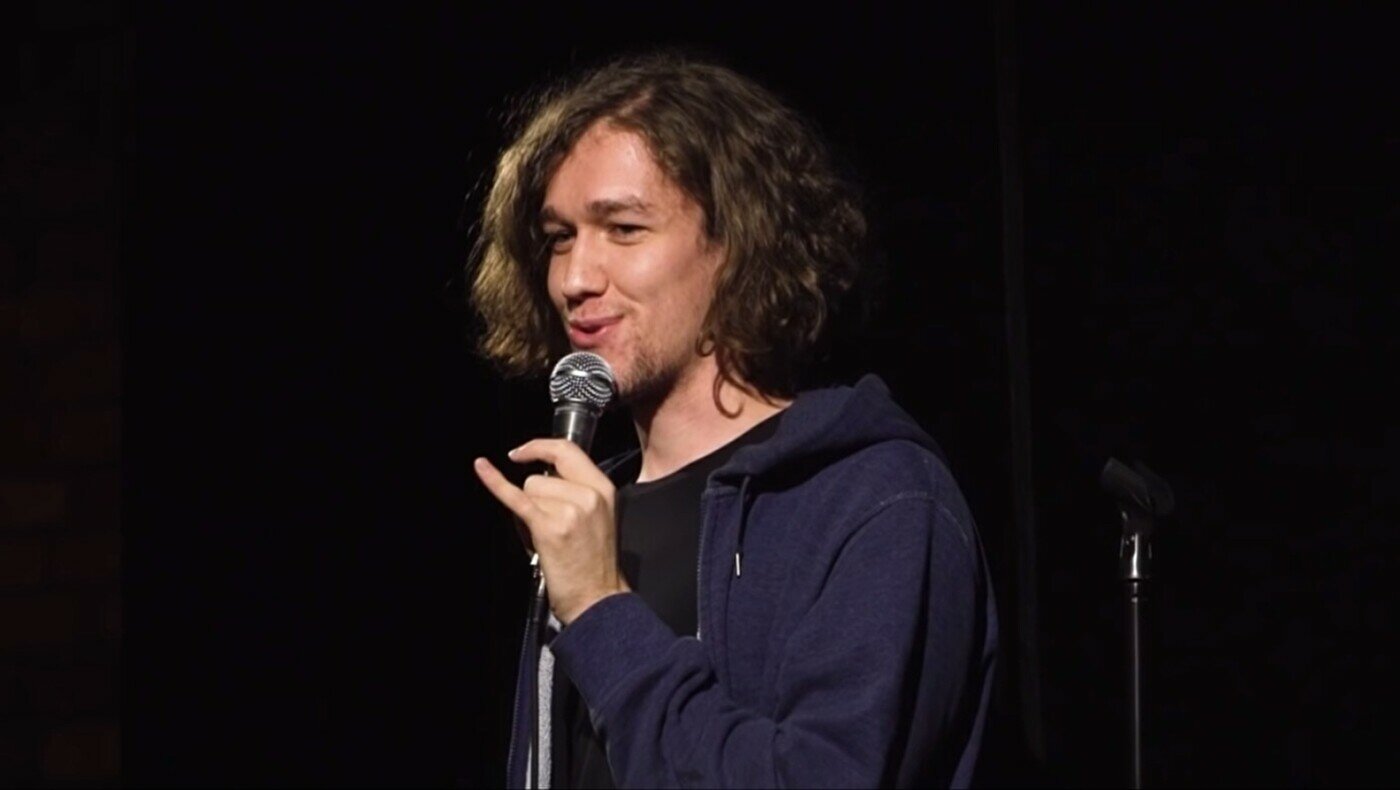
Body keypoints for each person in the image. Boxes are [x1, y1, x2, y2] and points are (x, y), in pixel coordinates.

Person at [469, 51, 996, 789]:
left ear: (739, 244)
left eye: (624, 228)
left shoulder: (874, 498)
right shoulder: (591, 512)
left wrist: (598, 607)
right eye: (560, 237)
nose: (575, 278)